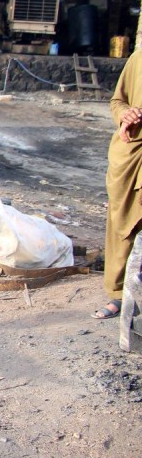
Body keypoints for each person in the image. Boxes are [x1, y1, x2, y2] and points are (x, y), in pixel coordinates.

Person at [97, 50, 142, 319]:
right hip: (129, 155)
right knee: (122, 225)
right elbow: (117, 100)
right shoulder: (139, 59)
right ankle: (119, 294)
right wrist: (126, 114)